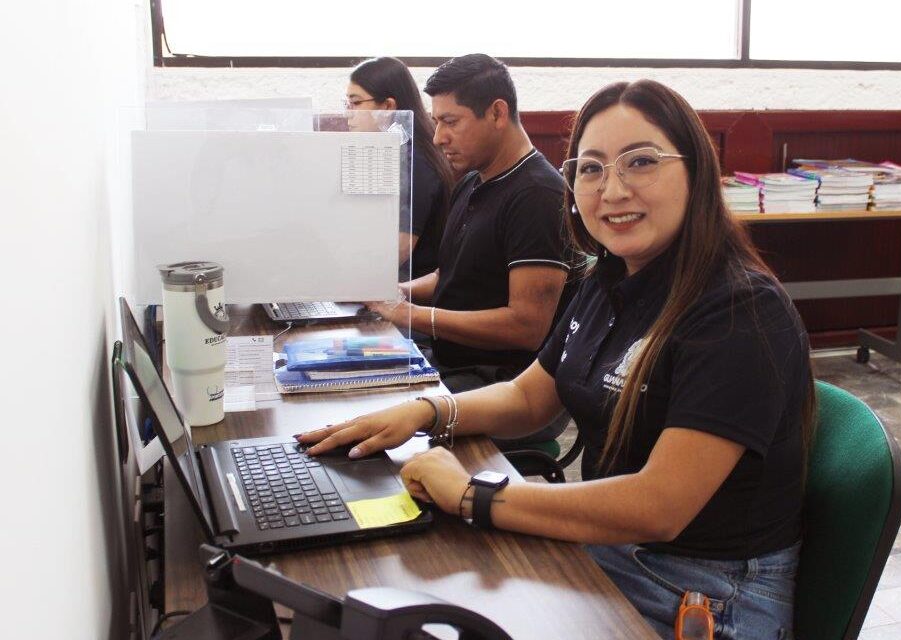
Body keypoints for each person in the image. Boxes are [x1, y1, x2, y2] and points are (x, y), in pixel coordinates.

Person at [303, 79, 816, 640]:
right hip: (619, 549)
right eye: (591, 168)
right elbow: (529, 396)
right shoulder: (611, 278)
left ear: (696, 172)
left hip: (704, 592)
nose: (611, 190)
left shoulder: (739, 312)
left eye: (640, 162)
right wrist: (426, 411)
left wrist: (473, 495)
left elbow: (659, 506)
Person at [366, 54, 572, 442]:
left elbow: (526, 326)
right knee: (351, 390)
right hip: (453, 364)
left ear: (497, 113)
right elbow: (452, 274)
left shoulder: (538, 196)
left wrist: (411, 313)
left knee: (377, 425)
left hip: (503, 384)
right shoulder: (472, 180)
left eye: (450, 122)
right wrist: (395, 294)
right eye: (436, 122)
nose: (439, 136)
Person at [345, 56, 454, 280]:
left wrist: (343, 279)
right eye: (346, 103)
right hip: (386, 281)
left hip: (413, 291)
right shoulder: (384, 153)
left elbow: (400, 249)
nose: (348, 113)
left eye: (356, 103)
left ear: (387, 107)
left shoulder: (417, 160)